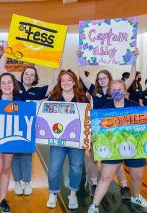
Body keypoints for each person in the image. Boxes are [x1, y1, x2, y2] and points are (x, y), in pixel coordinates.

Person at [78, 49, 138, 199]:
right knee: (93, 157)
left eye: (104, 77)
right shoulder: (93, 90)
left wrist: (134, 59)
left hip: (115, 130)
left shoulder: (116, 90)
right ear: (97, 81)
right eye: (100, 78)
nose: (102, 80)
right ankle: (93, 183)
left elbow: (131, 77)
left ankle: (124, 186)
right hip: (98, 129)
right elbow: (81, 75)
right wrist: (79, 58)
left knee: (115, 157)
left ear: (109, 78)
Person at [0, 53, 59, 196]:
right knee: (13, 157)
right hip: (11, 127)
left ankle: (27, 181)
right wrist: (8, 50)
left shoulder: (39, 91)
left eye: (32, 75)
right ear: (22, 75)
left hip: (28, 129)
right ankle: (17, 182)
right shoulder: (15, 85)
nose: (29, 76)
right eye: (27, 74)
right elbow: (1, 67)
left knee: (26, 156)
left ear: (35, 78)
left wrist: (57, 65)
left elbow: (55, 84)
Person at [87, 80, 147, 213]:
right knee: (105, 177)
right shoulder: (104, 109)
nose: (117, 92)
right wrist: (94, 139)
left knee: (137, 176)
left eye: (120, 89)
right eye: (114, 90)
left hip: (134, 146)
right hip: (112, 148)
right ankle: (94, 206)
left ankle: (136, 196)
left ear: (125, 90)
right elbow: (97, 131)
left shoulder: (134, 106)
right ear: (110, 91)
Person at [46, 69, 87, 210]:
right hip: (58, 140)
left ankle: (73, 193)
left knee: (76, 168)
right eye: (63, 80)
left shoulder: (82, 98)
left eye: (69, 80)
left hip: (77, 141)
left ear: (74, 82)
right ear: (59, 83)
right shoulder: (54, 97)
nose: (66, 83)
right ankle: (53, 193)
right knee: (54, 169)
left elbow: (88, 119)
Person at [0, 72, 23, 213]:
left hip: (10, 139)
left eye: (9, 82)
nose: (7, 85)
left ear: (14, 85)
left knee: (6, 168)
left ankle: (2, 199)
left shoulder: (20, 101)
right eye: (3, 83)